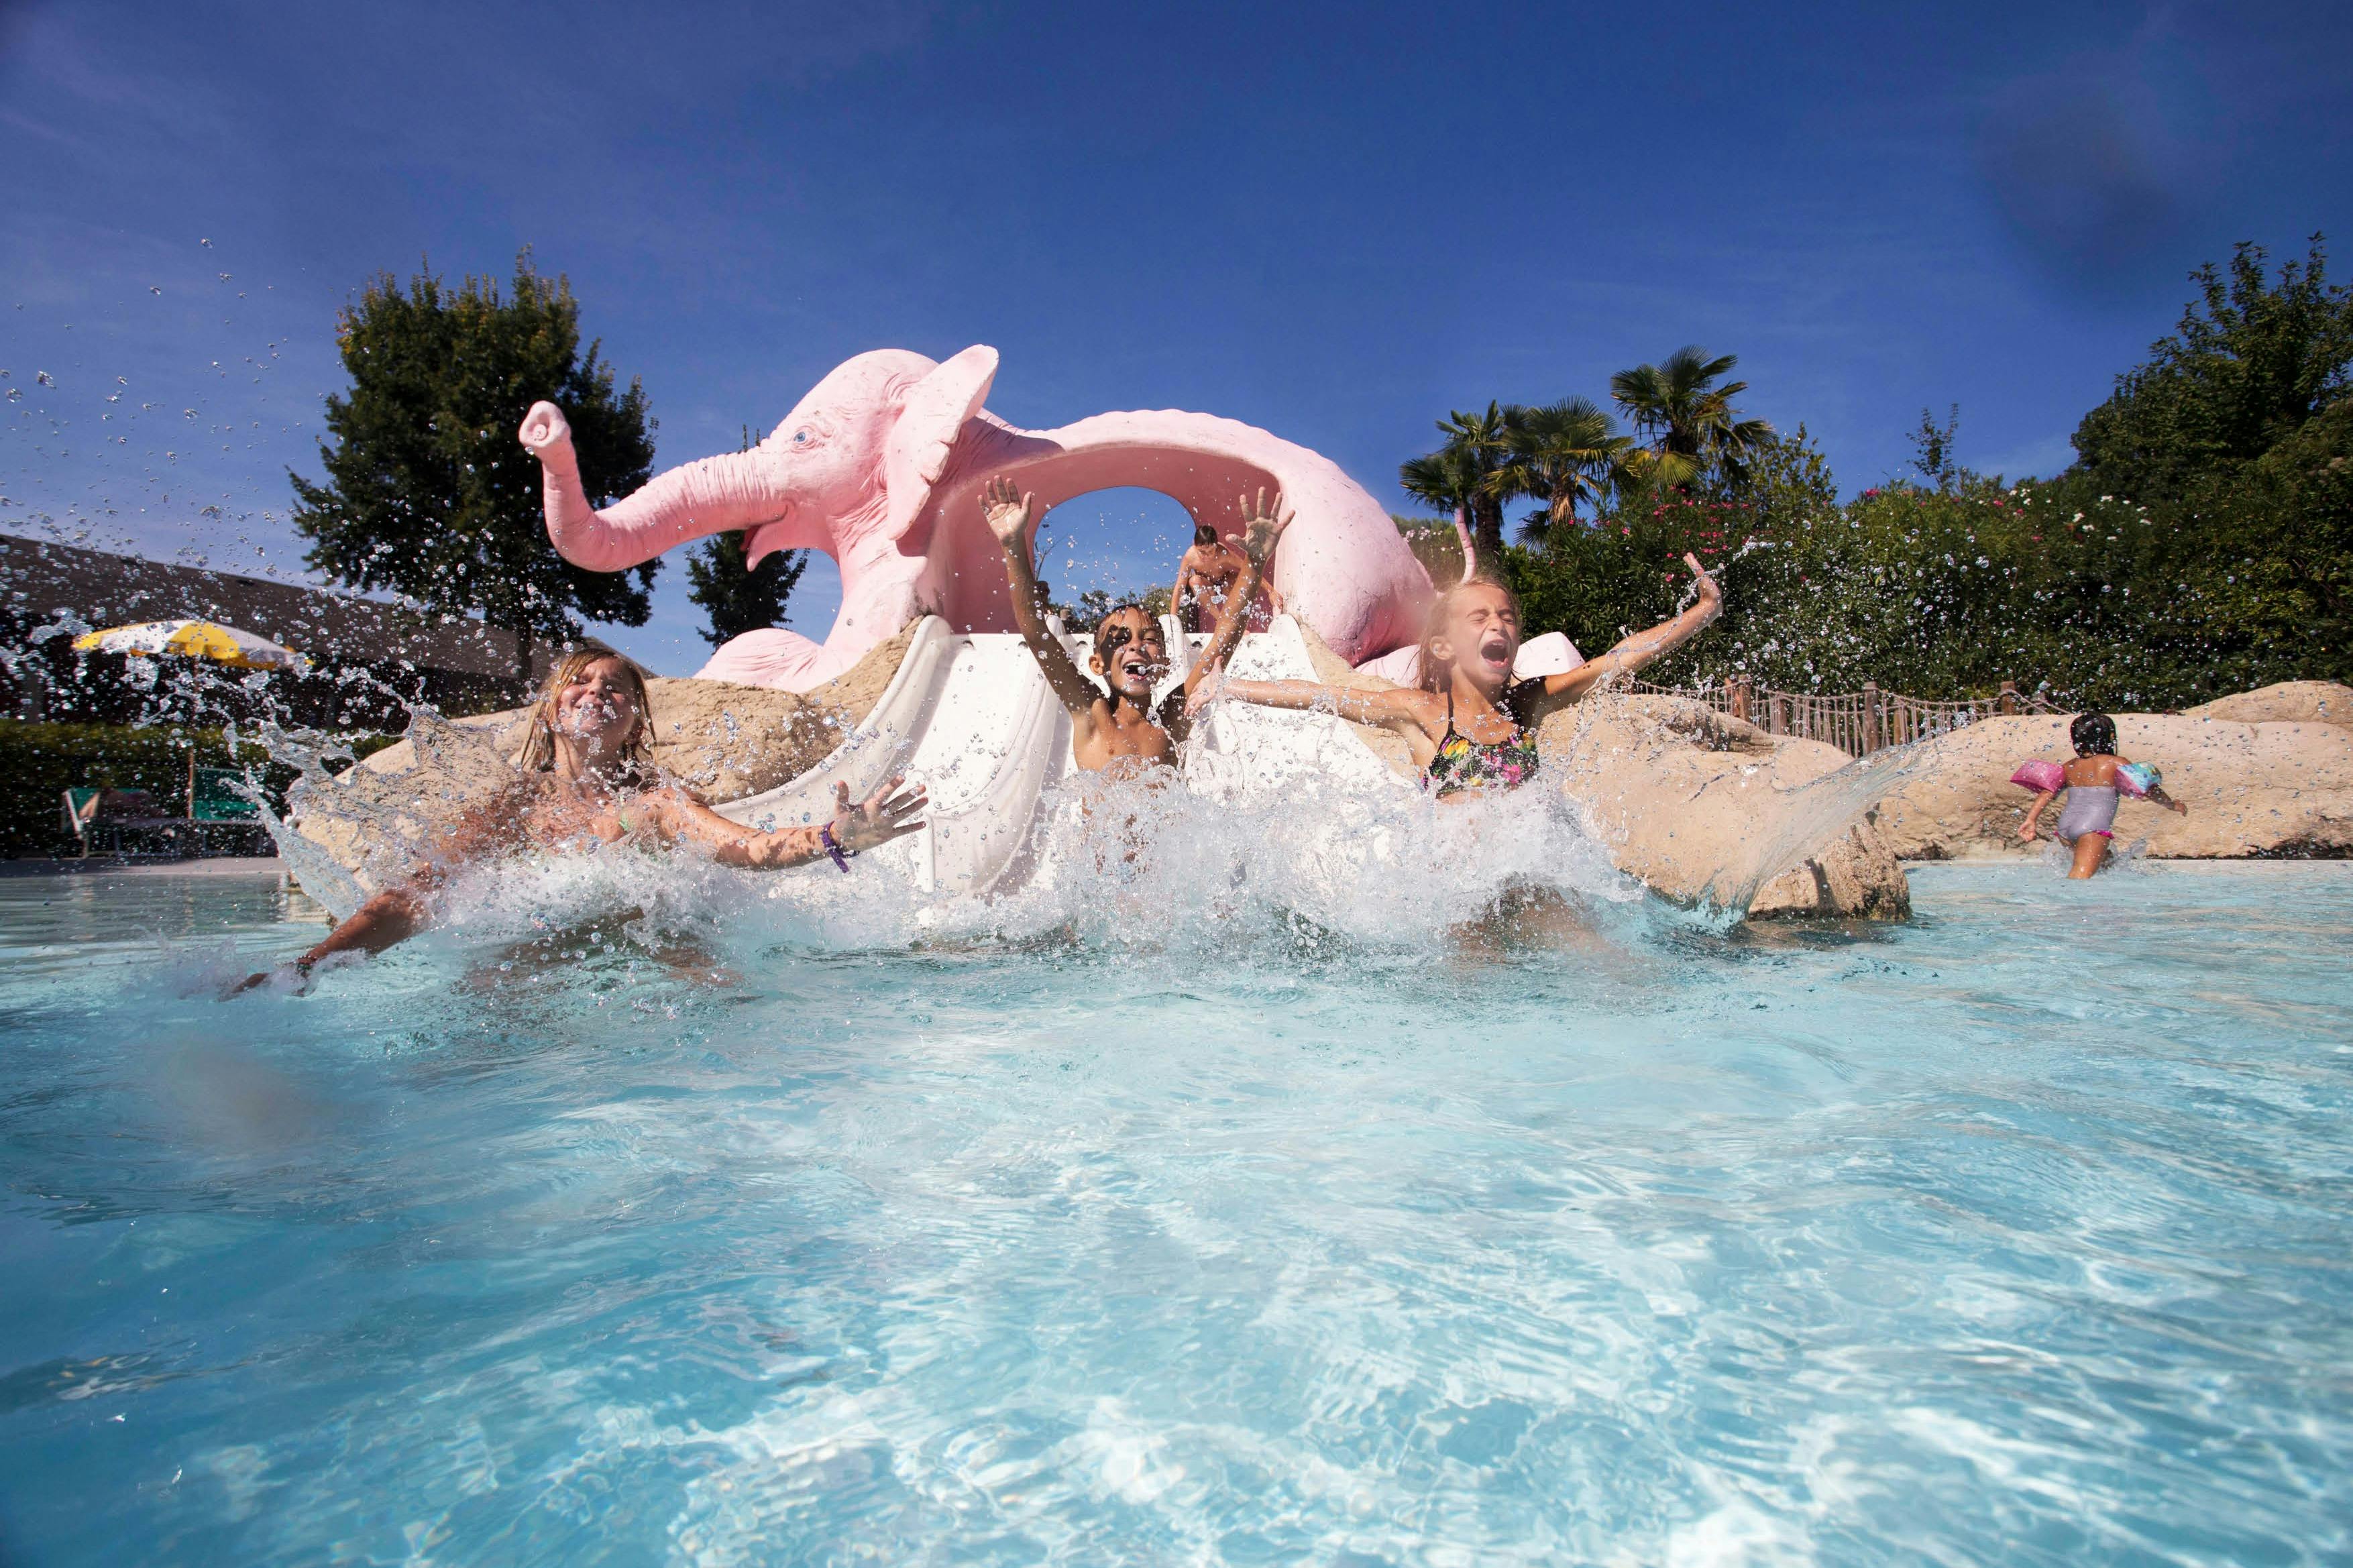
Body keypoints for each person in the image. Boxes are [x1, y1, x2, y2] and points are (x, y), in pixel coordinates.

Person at [235, 647, 926, 992]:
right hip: (536, 981)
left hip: (662, 977)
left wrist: (840, 835)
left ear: (632, 723)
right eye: (582, 681)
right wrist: (306, 967)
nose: (599, 692)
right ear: (550, 708)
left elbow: (747, 849)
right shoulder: (514, 808)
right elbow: (413, 897)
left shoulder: (655, 801)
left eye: (618, 689)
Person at [1187, 557, 1722, 799]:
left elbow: (1614, 661)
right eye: (1481, 618)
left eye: (1509, 618)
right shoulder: (1422, 711)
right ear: (1445, 646)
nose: (1500, 625)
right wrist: (1228, 686)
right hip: (1462, 891)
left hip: (1524, 883)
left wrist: (1698, 615)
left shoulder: (1528, 702)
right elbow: (1321, 695)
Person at [985, 475, 1291, 775]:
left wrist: (1254, 562)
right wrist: (1013, 545)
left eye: (1148, 638)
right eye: (1120, 638)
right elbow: (1038, 637)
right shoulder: (1091, 714)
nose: (1135, 645)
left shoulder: (1172, 717)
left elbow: (1224, 638)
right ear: (1097, 663)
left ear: (1166, 662)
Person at [2014, 712, 2186, 878]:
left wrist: (2031, 820)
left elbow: (2047, 792)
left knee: (2108, 863)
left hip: (2065, 829)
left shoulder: (2069, 766)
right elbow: (2148, 788)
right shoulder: (2116, 763)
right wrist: (2171, 804)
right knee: (2078, 880)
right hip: (2092, 829)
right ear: (2107, 737)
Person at [1168, 521, 1281, 632]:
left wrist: (1271, 591)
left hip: (1225, 584)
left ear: (1216, 546)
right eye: (1202, 552)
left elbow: (1249, 569)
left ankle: (1240, 623)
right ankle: (1223, 621)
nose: (1207, 556)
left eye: (1211, 551)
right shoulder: (1189, 558)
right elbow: (1179, 589)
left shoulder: (1223, 553)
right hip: (1208, 589)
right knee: (1194, 581)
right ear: (1194, 544)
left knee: (1242, 578)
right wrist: (1172, 621)